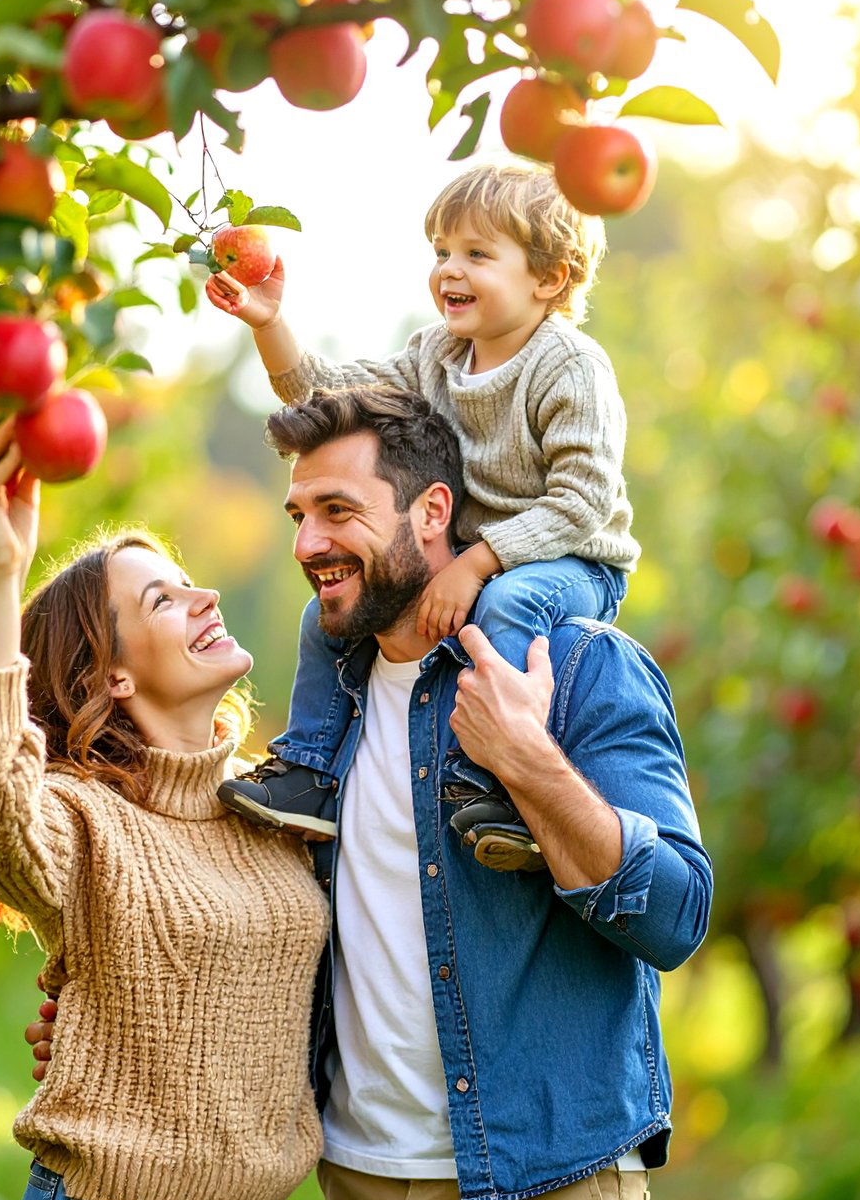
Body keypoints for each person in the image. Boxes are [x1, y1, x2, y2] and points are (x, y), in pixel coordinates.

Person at [31, 385, 712, 1200]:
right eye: (298, 514)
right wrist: (97, 1015)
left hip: (542, 1192)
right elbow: (231, 917)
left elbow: (679, 910)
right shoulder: (321, 727)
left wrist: (528, 763)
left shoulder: (576, 666)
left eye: (339, 511)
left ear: (432, 512)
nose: (309, 542)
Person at [0, 424, 329, 1200]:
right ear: (111, 671)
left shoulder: (269, 811)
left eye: (188, 581)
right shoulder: (85, 823)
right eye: (164, 597)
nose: (206, 595)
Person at [207, 161, 639, 868]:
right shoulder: (438, 355)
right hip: (476, 558)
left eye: (476, 253)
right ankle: (310, 775)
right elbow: (331, 395)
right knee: (324, 620)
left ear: (550, 278)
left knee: (505, 608)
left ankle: (501, 789)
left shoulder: (570, 367)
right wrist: (271, 323)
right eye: (441, 252)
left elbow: (582, 500)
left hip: (570, 559)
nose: (449, 270)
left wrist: (477, 561)